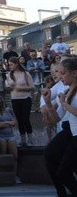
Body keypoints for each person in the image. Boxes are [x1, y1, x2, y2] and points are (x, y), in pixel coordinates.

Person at [46, 57, 77, 196]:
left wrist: (64, 104)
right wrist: (48, 103)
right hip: (71, 131)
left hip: (74, 134)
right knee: (49, 154)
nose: (59, 76)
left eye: (63, 73)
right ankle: (61, 192)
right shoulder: (67, 91)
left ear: (74, 73)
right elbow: (57, 118)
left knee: (64, 171)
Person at [5, 56, 34, 147]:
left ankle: (30, 140)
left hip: (25, 98)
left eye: (11, 64)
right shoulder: (8, 75)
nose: (10, 66)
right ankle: (23, 140)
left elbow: (32, 87)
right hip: (15, 99)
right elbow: (6, 88)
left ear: (17, 64)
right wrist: (8, 88)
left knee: (26, 119)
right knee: (19, 120)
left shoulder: (25, 74)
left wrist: (21, 88)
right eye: (9, 65)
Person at [0, 96, 20, 184]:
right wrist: (9, 122)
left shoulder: (9, 110)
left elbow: (15, 122)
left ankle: (14, 175)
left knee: (14, 156)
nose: (3, 105)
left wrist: (6, 122)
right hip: (0, 136)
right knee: (3, 155)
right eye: (1, 103)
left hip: (10, 135)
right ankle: (3, 175)